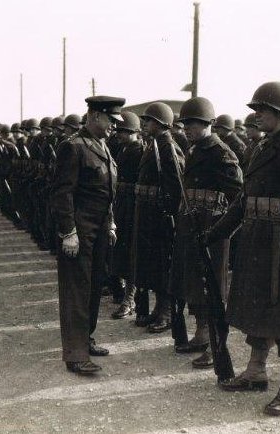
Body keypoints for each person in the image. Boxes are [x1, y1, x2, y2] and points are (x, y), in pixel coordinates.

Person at [204, 82, 280, 416]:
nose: (256, 115)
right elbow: (245, 200)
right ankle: (256, 370)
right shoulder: (262, 146)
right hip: (258, 239)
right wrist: (217, 232)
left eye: (262, 110)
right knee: (257, 306)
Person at [50, 95, 124, 375]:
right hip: (79, 229)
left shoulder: (102, 145)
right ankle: (75, 353)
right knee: (76, 290)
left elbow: (108, 190)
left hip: (101, 227)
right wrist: (68, 232)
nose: (114, 127)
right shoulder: (73, 147)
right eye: (111, 120)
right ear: (94, 116)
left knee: (93, 287)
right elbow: (62, 193)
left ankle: (86, 338)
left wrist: (112, 222)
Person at [171, 96, 242, 369]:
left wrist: (219, 222)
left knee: (212, 286)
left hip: (212, 229)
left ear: (209, 124)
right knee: (193, 281)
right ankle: (202, 334)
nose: (187, 128)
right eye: (186, 123)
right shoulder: (194, 150)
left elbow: (238, 195)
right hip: (192, 226)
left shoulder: (222, 154)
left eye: (193, 124)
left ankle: (216, 346)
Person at [132, 102, 185, 332]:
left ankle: (166, 312)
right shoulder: (153, 145)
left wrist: (169, 211)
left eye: (149, 121)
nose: (144, 124)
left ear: (161, 124)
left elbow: (176, 183)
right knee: (152, 263)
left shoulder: (168, 147)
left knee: (163, 264)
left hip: (161, 216)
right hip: (149, 213)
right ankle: (157, 310)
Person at [110, 111, 146, 319]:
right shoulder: (123, 149)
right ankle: (123, 292)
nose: (119, 134)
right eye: (119, 131)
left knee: (132, 252)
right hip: (121, 204)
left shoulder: (142, 150)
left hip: (134, 205)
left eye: (124, 131)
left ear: (134, 131)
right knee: (120, 249)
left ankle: (130, 298)